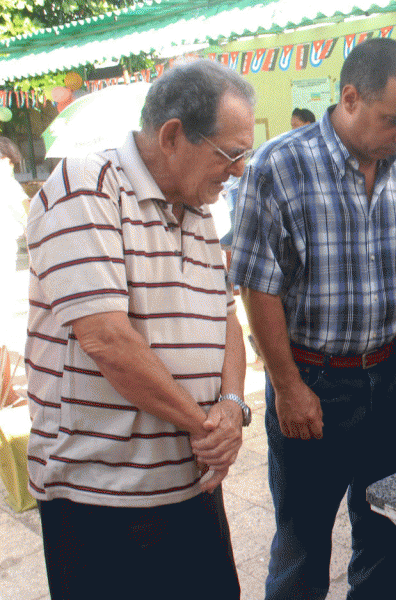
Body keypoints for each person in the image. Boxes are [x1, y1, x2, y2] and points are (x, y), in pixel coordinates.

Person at [24, 59, 252, 600]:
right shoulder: (86, 186)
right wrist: (205, 425)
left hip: (190, 487)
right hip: (104, 501)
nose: (239, 170)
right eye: (231, 153)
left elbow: (226, 320)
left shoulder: (198, 210)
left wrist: (231, 405)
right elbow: (107, 338)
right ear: (173, 135)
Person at [229, 39, 396, 600]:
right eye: (394, 121)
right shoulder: (279, 165)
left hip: (390, 372)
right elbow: (258, 286)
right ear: (349, 98)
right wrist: (287, 385)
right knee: (304, 538)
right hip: (313, 380)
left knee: (387, 528)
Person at [0, 136, 27, 280]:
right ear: (4, 160)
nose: (12, 168)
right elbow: (28, 217)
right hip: (5, 245)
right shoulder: (9, 184)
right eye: (11, 163)